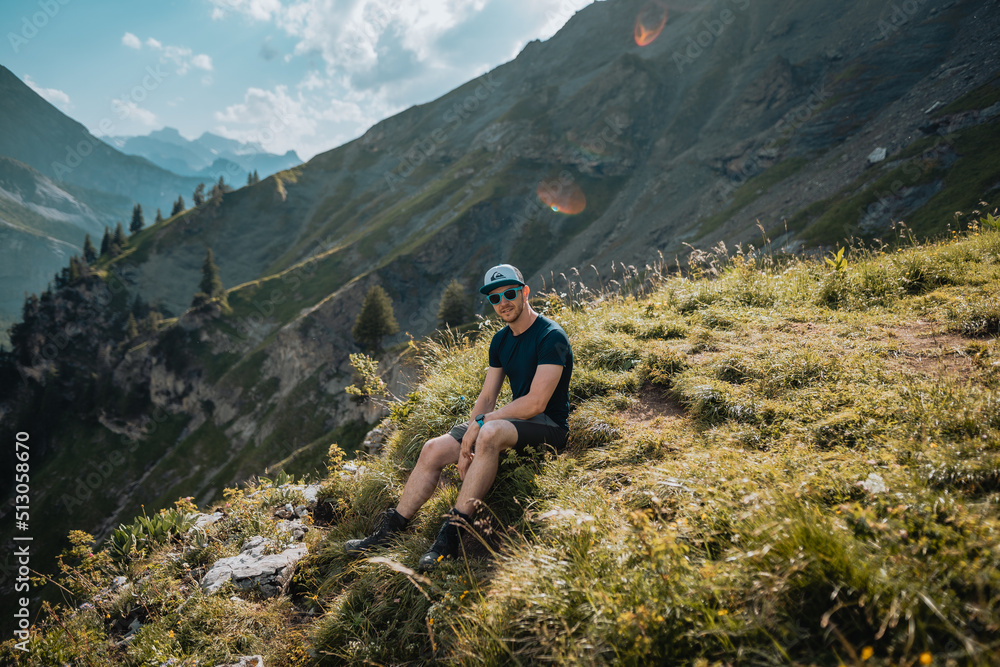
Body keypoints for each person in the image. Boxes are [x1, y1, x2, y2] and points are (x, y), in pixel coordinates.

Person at [345, 263, 574, 571]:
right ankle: (391, 529)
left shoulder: (551, 336)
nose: (503, 302)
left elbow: (535, 402)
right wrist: (469, 435)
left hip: (549, 427)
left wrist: (482, 426)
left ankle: (450, 537)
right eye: (495, 298)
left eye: (509, 293)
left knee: (490, 433)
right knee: (433, 448)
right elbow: (487, 397)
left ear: (525, 292)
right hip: (515, 423)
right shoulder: (501, 340)